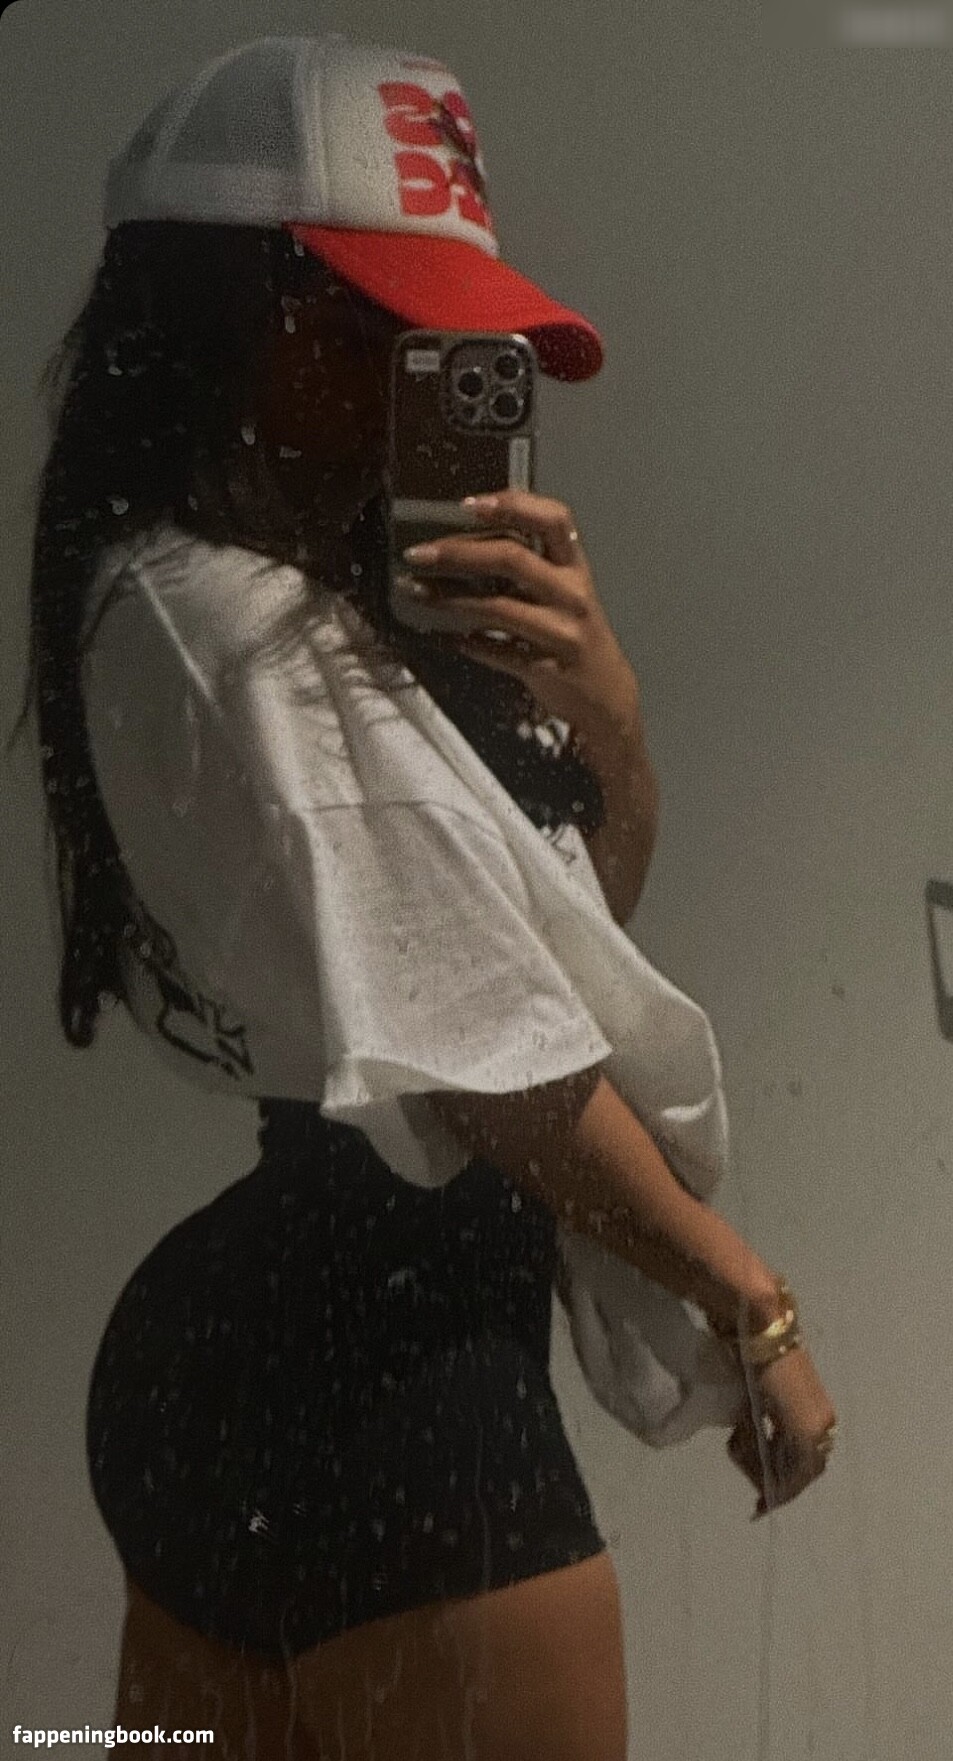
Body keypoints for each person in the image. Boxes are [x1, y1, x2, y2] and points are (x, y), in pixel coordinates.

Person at [10, 32, 837, 1761]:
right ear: (216, 311)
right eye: (358, 324)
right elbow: (488, 1064)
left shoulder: (316, 608)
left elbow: (542, 965)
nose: (405, 378)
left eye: (433, 340)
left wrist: (609, 729)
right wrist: (745, 1306)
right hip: (382, 1397)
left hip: (276, 1361)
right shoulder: (219, 619)